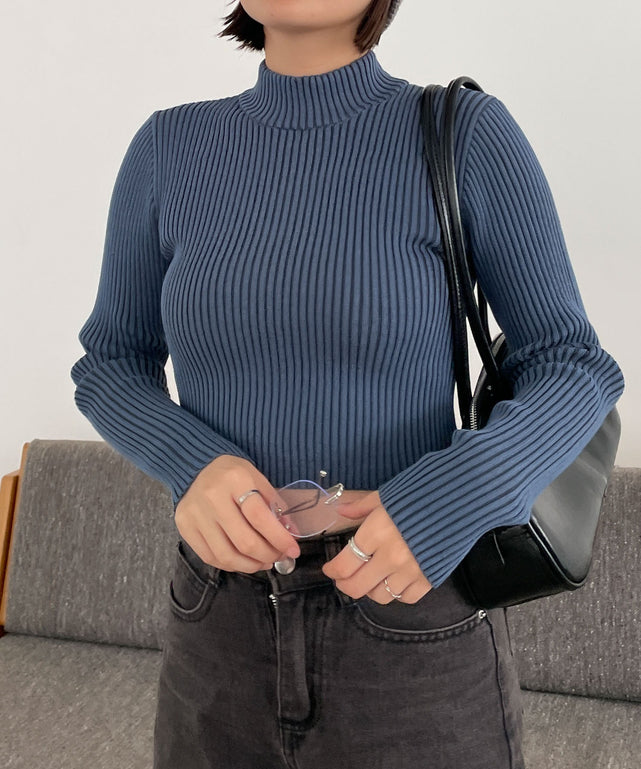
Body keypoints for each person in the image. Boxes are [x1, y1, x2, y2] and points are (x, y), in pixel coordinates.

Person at [70, 1, 625, 767]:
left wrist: (451, 496)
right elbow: (109, 361)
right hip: (217, 623)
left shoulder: (463, 132)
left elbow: (572, 362)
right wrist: (191, 462)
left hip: (410, 613)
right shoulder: (168, 148)